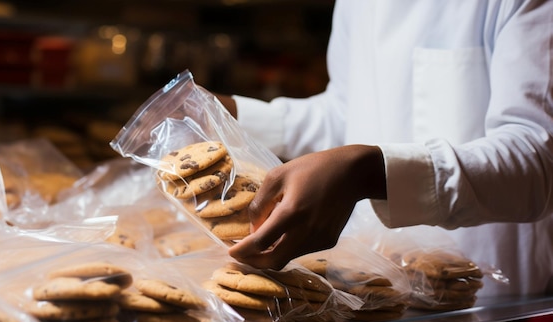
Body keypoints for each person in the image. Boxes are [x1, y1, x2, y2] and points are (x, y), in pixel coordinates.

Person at [214, 0, 553, 300]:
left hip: (489, 304)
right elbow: (345, 114)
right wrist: (234, 116)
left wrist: (370, 172)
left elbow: (536, 158)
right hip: (369, 293)